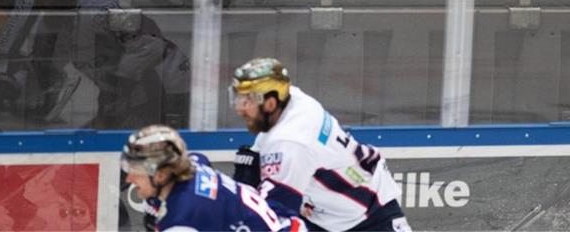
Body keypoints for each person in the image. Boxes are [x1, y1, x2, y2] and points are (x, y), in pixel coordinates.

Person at [230, 58, 411, 232]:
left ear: (270, 103)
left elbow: (272, 215)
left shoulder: (291, 142)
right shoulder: (291, 98)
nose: (239, 108)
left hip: (371, 215)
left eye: (247, 101)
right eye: (238, 99)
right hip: (326, 215)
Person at [121, 124, 305, 232]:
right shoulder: (193, 166)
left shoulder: (182, 218)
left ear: (160, 174)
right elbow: (200, 158)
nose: (129, 178)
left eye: (136, 171)